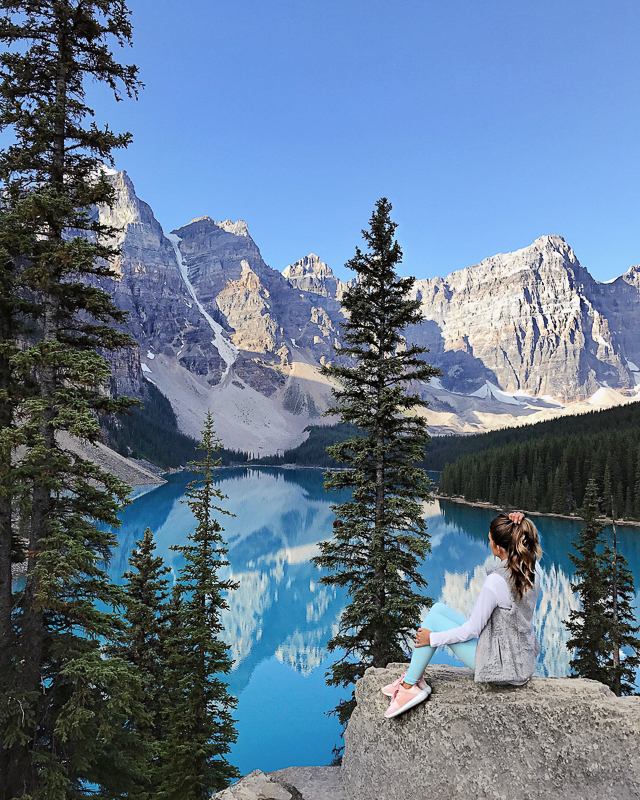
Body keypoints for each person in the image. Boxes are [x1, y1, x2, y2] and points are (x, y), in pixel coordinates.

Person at [382, 511, 543, 719]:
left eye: (490, 538)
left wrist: (432, 639)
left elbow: (472, 630)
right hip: (520, 658)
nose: (488, 540)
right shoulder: (532, 566)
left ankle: (409, 686)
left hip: (502, 669)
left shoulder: (496, 581)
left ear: (498, 547)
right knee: (438, 609)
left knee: (434, 623)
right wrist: (519, 523)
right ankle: (416, 677)